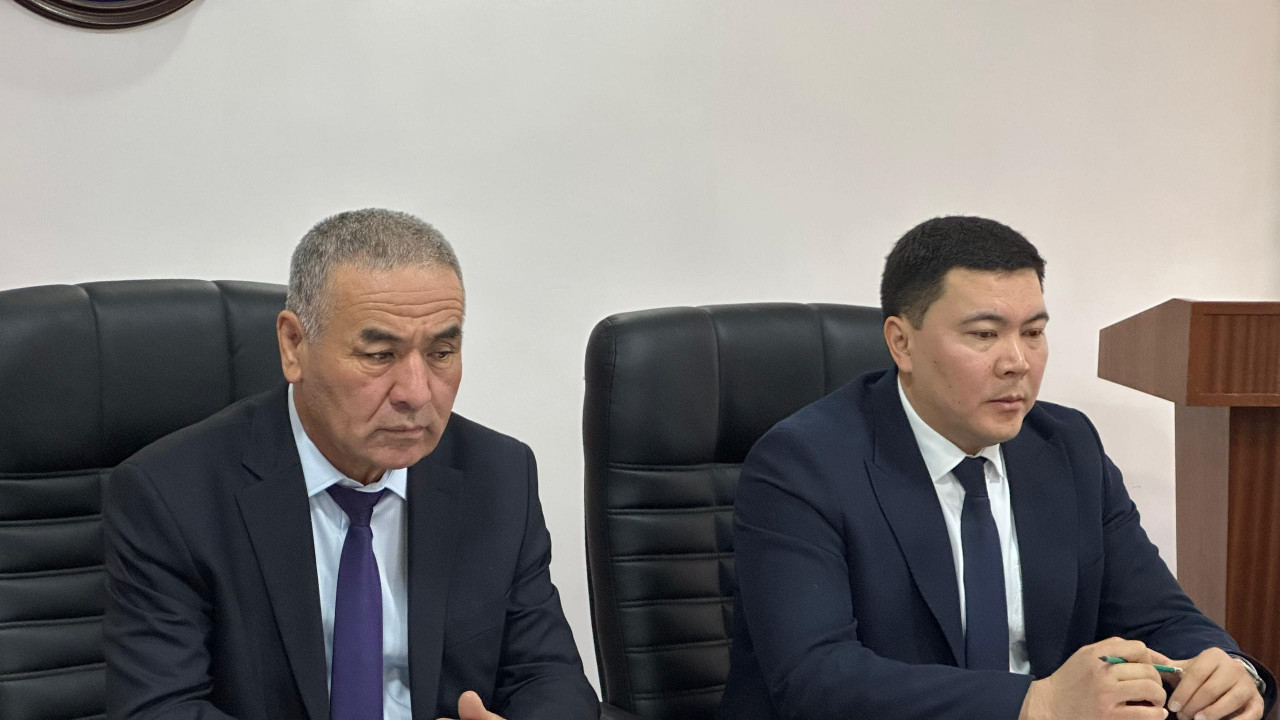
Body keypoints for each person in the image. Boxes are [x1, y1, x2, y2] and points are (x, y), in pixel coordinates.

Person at [718, 216, 1275, 720]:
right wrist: (1036, 704)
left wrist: (1228, 670)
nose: (1017, 363)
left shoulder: (1066, 446)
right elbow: (816, 679)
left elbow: (1158, 617)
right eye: (985, 335)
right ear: (902, 343)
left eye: (1033, 333)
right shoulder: (802, 464)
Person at [103, 209, 599, 720]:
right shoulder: (171, 496)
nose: (416, 393)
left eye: (441, 352)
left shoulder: (499, 475)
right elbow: (159, 708)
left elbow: (548, 676)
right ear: (294, 346)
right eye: (380, 355)